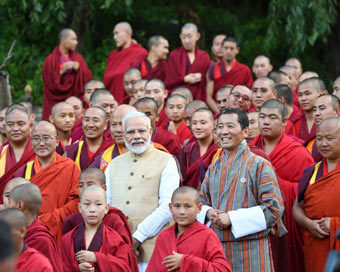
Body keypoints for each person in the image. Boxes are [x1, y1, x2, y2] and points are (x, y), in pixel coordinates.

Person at [200, 108, 285, 272]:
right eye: (220, 126)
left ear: (245, 131)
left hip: (251, 249)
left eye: (230, 126)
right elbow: (201, 202)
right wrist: (208, 212)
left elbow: (274, 208)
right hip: (217, 250)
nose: (224, 131)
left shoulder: (259, 164)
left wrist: (232, 218)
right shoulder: (213, 168)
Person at [105, 111, 180, 271]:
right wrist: (120, 240)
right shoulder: (113, 165)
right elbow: (107, 206)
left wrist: (137, 237)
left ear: (151, 132)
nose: (137, 136)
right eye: (131, 132)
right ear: (124, 135)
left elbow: (168, 207)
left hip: (155, 246)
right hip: (118, 246)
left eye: (142, 131)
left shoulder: (167, 161)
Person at [249, 99, 314, 272]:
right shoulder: (249, 149)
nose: (266, 122)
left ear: (285, 121)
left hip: (287, 225)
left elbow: (307, 195)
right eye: (262, 117)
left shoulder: (298, 153)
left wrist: (272, 181)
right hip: (256, 223)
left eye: (272, 117)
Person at [14, 121, 80, 244]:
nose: (41, 143)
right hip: (30, 234)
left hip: (62, 234)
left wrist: (45, 220)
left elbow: (77, 202)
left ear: (56, 141)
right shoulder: (24, 171)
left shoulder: (70, 167)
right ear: (30, 142)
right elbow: (15, 204)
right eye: (36, 138)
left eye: (46, 138)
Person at [62, 168, 138, 271]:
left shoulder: (114, 236)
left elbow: (124, 265)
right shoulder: (68, 237)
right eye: (81, 185)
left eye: (98, 204)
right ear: (80, 207)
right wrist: (77, 268)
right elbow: (61, 264)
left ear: (106, 208)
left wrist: (97, 258)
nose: (92, 209)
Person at [293, 117, 340, 272]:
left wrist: (334, 225)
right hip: (316, 244)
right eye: (319, 139)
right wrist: (309, 224)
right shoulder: (311, 172)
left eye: (330, 139)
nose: (323, 144)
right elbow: (297, 207)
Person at [147, 186, 231, 272]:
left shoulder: (207, 235)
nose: (182, 212)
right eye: (177, 206)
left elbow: (222, 269)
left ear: (199, 208)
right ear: (170, 207)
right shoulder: (164, 237)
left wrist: (185, 262)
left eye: (187, 206)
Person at [8, 183, 62, 272]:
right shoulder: (31, 231)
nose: (6, 206)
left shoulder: (40, 240)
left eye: (10, 202)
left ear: (20, 205)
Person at [42, 28, 92, 120]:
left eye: (76, 39)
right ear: (63, 40)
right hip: (55, 101)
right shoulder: (50, 61)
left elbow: (89, 77)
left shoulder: (78, 58)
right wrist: (61, 72)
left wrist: (79, 69)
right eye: (73, 39)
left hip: (74, 98)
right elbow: (49, 85)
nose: (76, 42)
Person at [206, 37, 253, 113]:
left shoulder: (244, 70)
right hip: (218, 110)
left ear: (237, 50)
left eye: (231, 48)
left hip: (239, 111)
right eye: (226, 48)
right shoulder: (213, 68)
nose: (228, 51)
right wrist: (220, 113)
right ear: (222, 48)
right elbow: (209, 97)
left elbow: (249, 95)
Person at [104, 22, 147, 104]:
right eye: (114, 34)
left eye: (117, 33)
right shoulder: (112, 56)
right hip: (112, 101)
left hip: (131, 100)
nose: (114, 37)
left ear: (127, 33)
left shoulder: (140, 52)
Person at [165, 23, 210, 101]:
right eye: (183, 37)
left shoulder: (204, 56)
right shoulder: (174, 55)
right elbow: (169, 81)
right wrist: (184, 79)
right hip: (178, 98)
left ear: (197, 36)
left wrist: (202, 77)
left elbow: (210, 80)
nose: (186, 40)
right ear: (180, 37)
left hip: (198, 99)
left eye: (189, 36)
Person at [0, 107, 35, 203]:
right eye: (10, 125)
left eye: (20, 124)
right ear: (5, 127)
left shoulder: (40, 152)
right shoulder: (1, 153)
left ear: (31, 126)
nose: (15, 129)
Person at [177, 109, 217, 189]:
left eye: (203, 123)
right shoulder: (186, 150)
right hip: (189, 196)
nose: (198, 127)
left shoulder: (219, 149)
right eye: (194, 123)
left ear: (214, 124)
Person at [309, 94, 340, 162]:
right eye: (314, 110)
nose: (316, 113)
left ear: (337, 112)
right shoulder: (312, 141)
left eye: (322, 108)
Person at [295, 77, 325, 146]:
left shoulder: (329, 120)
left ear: (322, 94)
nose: (303, 98)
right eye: (300, 95)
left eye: (307, 93)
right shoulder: (295, 122)